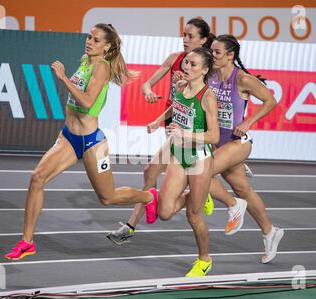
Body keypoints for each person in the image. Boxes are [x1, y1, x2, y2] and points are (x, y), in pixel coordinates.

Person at [5, 23, 157, 260]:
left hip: (92, 143)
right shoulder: (86, 60)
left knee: (108, 198)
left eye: (96, 40)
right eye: (89, 37)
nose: (89, 42)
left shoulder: (102, 68)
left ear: (106, 46)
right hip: (68, 137)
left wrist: (63, 77)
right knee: (37, 178)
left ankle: (148, 197)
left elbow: (87, 102)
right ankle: (27, 242)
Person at [149, 34, 284, 264]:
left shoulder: (242, 79)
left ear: (231, 55)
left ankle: (227, 204)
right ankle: (270, 232)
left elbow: (270, 101)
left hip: (236, 142)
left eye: (218, 52)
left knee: (202, 172)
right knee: (243, 190)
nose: (212, 55)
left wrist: (248, 122)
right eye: (211, 51)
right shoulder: (208, 75)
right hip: (213, 143)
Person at [106, 17, 217, 245]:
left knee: (202, 199)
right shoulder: (176, 63)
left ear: (203, 41)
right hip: (176, 130)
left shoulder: (207, 79)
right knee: (151, 173)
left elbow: (210, 125)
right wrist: (157, 117)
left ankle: (206, 243)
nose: (185, 40)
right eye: (183, 35)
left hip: (196, 139)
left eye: (190, 36)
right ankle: (131, 224)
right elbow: (165, 96)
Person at [145, 47, 219, 277]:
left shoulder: (207, 97)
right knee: (164, 212)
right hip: (179, 154)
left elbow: (214, 136)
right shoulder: (180, 86)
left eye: (193, 65)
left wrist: (185, 134)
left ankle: (204, 260)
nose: (186, 67)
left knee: (193, 216)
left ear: (205, 70)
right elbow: (175, 107)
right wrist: (158, 120)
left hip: (199, 158)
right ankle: (198, 195)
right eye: (186, 62)